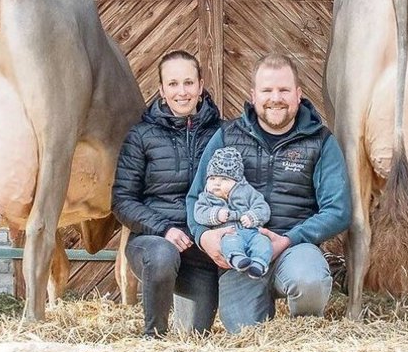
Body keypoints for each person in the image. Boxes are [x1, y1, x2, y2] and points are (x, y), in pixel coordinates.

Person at [188, 53, 350, 334]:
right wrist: (204, 237)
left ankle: (303, 339)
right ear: (253, 95)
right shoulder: (227, 137)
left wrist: (288, 239)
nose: (276, 97)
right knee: (243, 334)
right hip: (241, 253)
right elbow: (194, 199)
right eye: (267, 90)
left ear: (298, 94)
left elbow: (338, 210)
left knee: (309, 280)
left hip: (295, 249)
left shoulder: (320, 141)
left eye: (284, 90)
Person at [112, 50, 223, 337]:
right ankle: (154, 337)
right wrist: (164, 229)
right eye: (173, 84)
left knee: (195, 336)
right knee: (162, 255)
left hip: (201, 249)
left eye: (188, 83)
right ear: (161, 90)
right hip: (152, 242)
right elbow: (122, 200)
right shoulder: (141, 136)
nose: (181, 92)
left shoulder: (223, 133)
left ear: (200, 86)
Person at [189, 146, 272, 279]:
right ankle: (237, 258)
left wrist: (252, 217)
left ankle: (259, 264)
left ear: (237, 181)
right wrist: (216, 214)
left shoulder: (248, 192)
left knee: (263, 242)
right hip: (228, 232)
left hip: (251, 232)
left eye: (224, 179)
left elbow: (263, 208)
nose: (217, 183)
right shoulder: (206, 197)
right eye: (212, 178)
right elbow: (199, 213)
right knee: (230, 242)